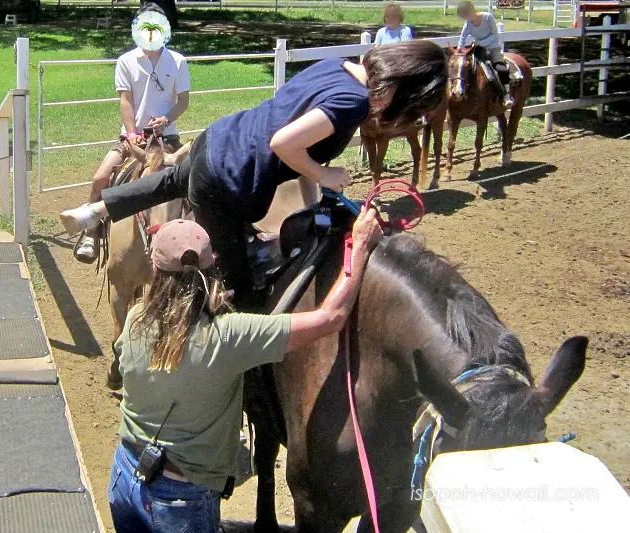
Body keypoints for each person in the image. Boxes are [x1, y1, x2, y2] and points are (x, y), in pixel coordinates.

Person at [60, 40, 447, 309]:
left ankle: (96, 210)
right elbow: (284, 143)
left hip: (219, 140)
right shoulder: (354, 101)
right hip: (230, 179)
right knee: (240, 290)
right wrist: (323, 173)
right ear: (403, 89)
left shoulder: (338, 66)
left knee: (173, 181)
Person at [108, 210, 383, 533]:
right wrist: (359, 245)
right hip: (181, 500)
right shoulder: (229, 336)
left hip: (126, 474)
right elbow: (331, 317)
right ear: (212, 267)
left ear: (155, 268)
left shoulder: (136, 318)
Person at [73, 4, 191, 262]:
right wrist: (131, 133)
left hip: (167, 139)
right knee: (100, 178)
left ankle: (196, 236)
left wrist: (166, 119)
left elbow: (183, 100)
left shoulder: (178, 61)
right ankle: (91, 233)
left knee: (192, 181)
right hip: (132, 139)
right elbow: (125, 100)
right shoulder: (126, 61)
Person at [456, 1, 513, 108]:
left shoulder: (488, 17)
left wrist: (481, 43)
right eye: (464, 17)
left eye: (467, 15)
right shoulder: (467, 24)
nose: (467, 19)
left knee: (501, 69)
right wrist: (459, 52)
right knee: (469, 69)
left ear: (472, 10)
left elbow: (495, 35)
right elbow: (462, 39)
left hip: (493, 48)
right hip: (479, 50)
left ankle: (506, 95)